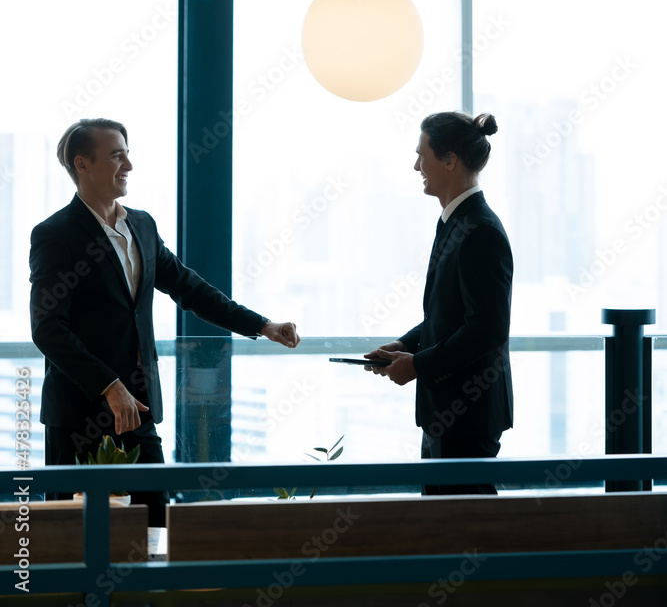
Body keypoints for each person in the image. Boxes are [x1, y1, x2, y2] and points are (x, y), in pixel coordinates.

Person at [30, 118, 300, 524]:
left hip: (137, 406)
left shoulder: (142, 224)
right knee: (74, 536)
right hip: (78, 415)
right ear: (82, 164)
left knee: (155, 519)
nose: (129, 165)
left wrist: (262, 325)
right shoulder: (55, 234)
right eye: (117, 155)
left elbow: (189, 289)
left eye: (128, 153)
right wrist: (109, 386)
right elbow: (47, 328)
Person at [365, 111, 513, 496]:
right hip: (447, 411)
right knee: (445, 529)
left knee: (464, 534)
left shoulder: (480, 230)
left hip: (467, 412)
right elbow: (447, 314)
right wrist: (405, 346)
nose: (416, 165)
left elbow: (487, 329)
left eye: (422, 155)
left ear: (449, 160)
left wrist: (417, 364)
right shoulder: (455, 221)